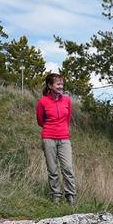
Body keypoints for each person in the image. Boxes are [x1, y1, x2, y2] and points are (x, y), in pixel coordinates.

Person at [36, 73, 76, 205]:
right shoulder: (42, 102)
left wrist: (61, 130)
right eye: (58, 84)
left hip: (64, 138)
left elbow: (67, 119)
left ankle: (71, 198)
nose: (61, 86)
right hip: (48, 138)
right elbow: (40, 121)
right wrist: (52, 129)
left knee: (68, 168)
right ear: (50, 85)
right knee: (52, 170)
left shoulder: (67, 100)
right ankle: (56, 198)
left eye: (62, 84)